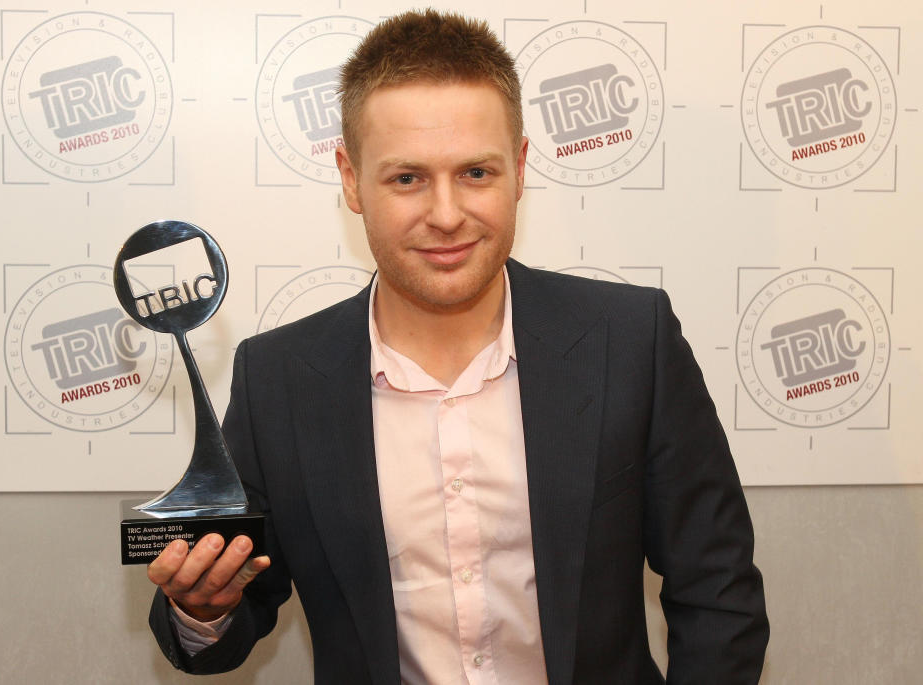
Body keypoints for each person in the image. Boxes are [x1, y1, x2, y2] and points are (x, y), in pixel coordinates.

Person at [147, 9, 768, 683]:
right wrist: (201, 604)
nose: (446, 215)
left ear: (520, 168)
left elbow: (718, 590)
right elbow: (237, 609)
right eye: (407, 178)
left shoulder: (630, 341)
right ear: (352, 180)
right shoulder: (278, 379)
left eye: (476, 172)